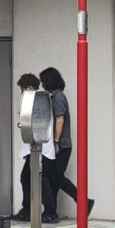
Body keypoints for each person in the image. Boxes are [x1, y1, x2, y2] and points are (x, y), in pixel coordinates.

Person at [35, 67, 91, 219]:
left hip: (61, 144)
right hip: (59, 144)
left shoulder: (58, 98)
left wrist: (56, 141)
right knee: (53, 177)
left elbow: (60, 120)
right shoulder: (54, 96)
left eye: (43, 81)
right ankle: (52, 211)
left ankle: (81, 202)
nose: (42, 84)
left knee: (54, 176)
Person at [13, 72, 43, 215]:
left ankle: (29, 209)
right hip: (34, 145)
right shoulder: (41, 99)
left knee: (28, 178)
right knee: (31, 178)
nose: (22, 93)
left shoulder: (34, 100)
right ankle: (33, 208)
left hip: (36, 145)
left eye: (23, 89)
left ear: (30, 87)